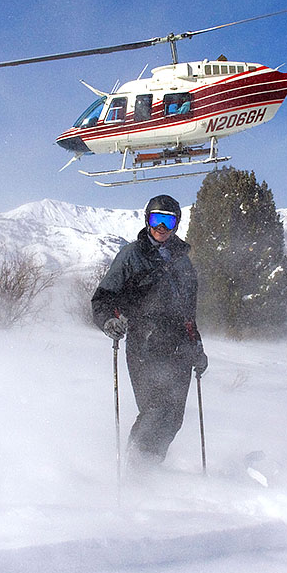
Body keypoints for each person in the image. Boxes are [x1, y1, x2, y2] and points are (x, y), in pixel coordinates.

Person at [92, 194, 208, 469]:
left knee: (174, 417)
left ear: (177, 224)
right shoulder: (132, 255)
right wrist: (109, 320)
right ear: (147, 220)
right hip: (146, 345)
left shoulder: (183, 261)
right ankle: (135, 466)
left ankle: (151, 467)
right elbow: (103, 298)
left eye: (169, 221)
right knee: (155, 410)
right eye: (157, 220)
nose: (162, 228)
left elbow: (188, 312)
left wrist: (197, 347)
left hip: (179, 348)